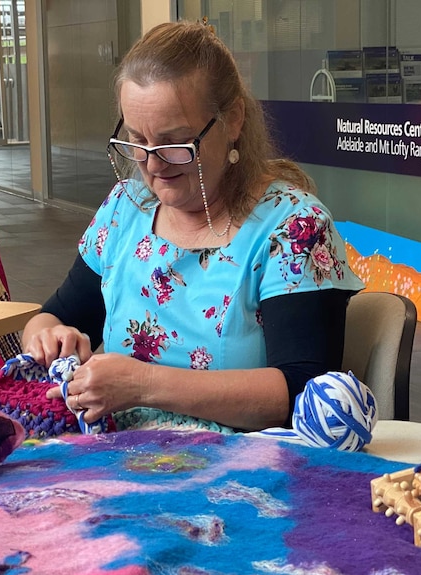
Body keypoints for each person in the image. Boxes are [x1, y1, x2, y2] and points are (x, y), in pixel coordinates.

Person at [22, 20, 365, 433]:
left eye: (174, 143)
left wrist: (143, 386)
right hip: (116, 461)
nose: (152, 164)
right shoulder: (125, 210)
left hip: (241, 474)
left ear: (233, 119)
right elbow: (52, 317)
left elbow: (301, 392)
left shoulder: (293, 229)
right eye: (137, 141)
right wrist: (47, 337)